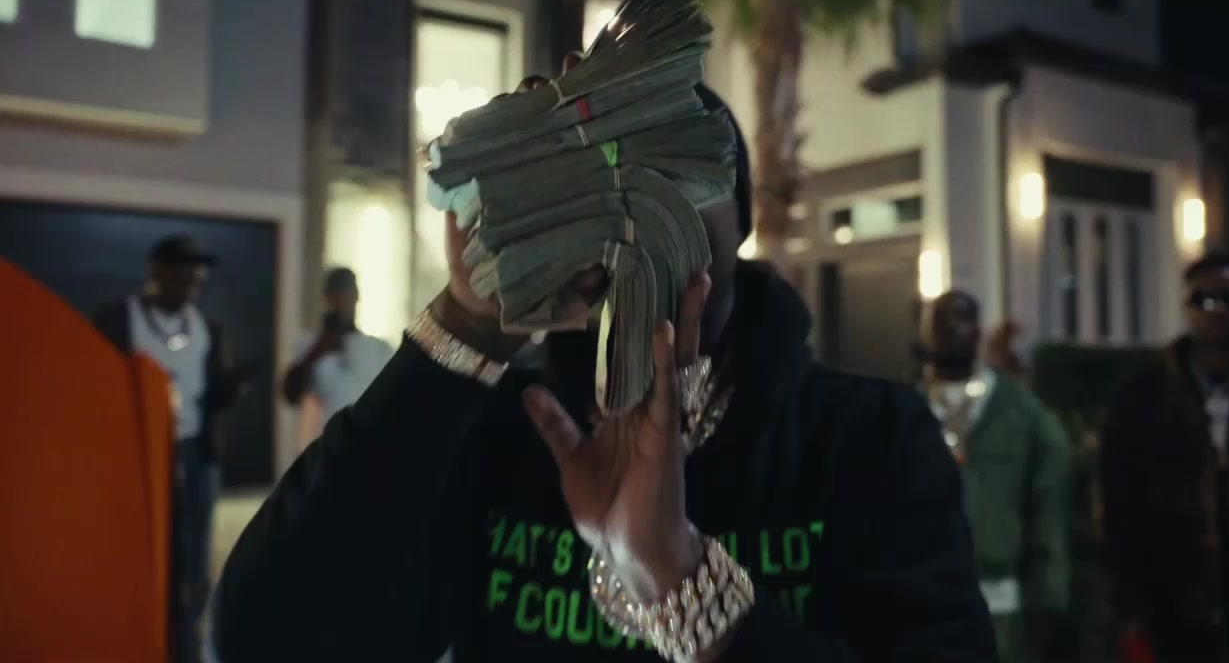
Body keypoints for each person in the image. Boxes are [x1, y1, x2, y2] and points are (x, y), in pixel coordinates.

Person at [211, 66, 996, 661]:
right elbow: (276, 638)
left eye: (683, 167)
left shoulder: (869, 439)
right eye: (606, 174)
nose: (646, 200)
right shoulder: (502, 432)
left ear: (745, 215)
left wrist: (682, 583)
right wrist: (469, 323)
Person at [1102, 253, 1229, 663]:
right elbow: (1120, 504)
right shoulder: (1144, 395)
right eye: (1204, 300)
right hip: (1176, 606)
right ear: (1187, 308)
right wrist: (1129, 605)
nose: (1217, 310)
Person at [93, 233, 250, 663]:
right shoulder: (120, 319)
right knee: (140, 545)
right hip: (138, 453)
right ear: (157, 272)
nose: (191, 286)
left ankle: (186, 640)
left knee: (194, 551)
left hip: (194, 452)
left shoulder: (204, 327)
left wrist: (233, 386)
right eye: (184, 275)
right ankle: (137, 630)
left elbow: (212, 391)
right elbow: (96, 383)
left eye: (197, 280)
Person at [919, 291, 1071, 662]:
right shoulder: (902, 411)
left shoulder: (1020, 413)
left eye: (961, 320)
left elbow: (1049, 507)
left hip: (1001, 603)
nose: (951, 332)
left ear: (978, 332)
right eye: (940, 323)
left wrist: (1051, 596)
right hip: (922, 603)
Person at [281, 267, 394, 425]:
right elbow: (290, 395)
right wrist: (319, 349)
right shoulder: (311, 347)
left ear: (356, 296)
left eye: (347, 292)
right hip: (329, 437)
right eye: (336, 294)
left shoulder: (379, 350)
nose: (342, 300)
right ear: (327, 298)